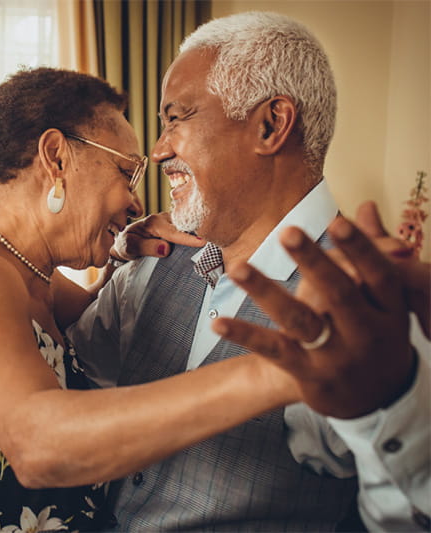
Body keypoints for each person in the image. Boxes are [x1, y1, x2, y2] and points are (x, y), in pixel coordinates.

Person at [0, 67, 309, 533]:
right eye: (127, 172)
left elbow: (99, 347)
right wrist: (280, 369)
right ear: (56, 157)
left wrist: (121, 254)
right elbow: (42, 447)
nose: (137, 203)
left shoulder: (34, 280)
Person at [69, 11, 430, 531]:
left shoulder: (373, 311)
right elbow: (71, 380)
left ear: (270, 125)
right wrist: (109, 261)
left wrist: (396, 401)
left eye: (176, 117)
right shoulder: (149, 264)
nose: (159, 148)